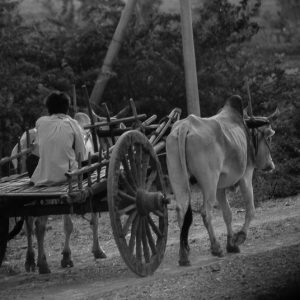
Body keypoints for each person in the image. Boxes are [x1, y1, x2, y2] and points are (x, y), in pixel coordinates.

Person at [30, 91, 86, 186]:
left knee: (30, 159)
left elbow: (38, 151)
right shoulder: (73, 124)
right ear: (67, 108)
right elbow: (81, 154)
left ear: (48, 108)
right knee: (95, 159)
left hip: (44, 177)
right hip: (69, 176)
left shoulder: (40, 122)